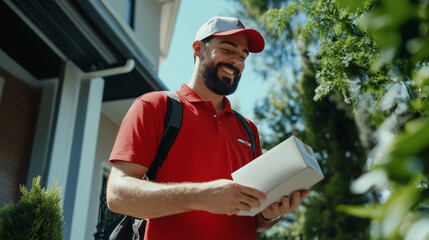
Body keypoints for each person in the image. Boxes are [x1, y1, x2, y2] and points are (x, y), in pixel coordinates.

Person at [106, 16, 310, 240]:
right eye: (227, 50)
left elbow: (255, 220)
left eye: (243, 56)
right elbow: (117, 196)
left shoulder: (248, 130)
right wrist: (199, 196)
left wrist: (271, 214)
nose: (237, 62)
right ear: (197, 48)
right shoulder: (155, 107)